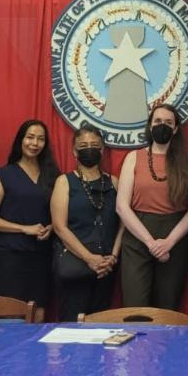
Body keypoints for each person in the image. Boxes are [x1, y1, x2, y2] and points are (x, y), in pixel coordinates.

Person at [116, 103, 188, 310]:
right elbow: (121, 206)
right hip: (137, 235)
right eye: (158, 121)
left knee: (168, 306)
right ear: (150, 125)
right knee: (135, 306)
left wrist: (169, 242)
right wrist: (150, 242)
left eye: (168, 122)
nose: (163, 126)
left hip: (176, 236)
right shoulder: (133, 157)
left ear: (176, 128)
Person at [50, 123, 123, 322]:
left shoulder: (114, 182)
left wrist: (113, 257)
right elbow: (59, 227)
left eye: (94, 145)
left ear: (102, 150)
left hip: (106, 267)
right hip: (75, 265)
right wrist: (89, 258)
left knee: (100, 324)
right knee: (72, 326)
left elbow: (123, 224)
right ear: (74, 151)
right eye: (83, 145)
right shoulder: (64, 181)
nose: (89, 149)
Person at [0, 119, 57, 310]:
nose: (34, 143)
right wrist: (24, 229)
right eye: (30, 137)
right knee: (10, 312)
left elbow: (57, 213)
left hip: (42, 255)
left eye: (40, 139)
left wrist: (52, 227)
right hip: (10, 256)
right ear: (20, 140)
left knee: (38, 310)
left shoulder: (52, 174)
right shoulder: (4, 174)